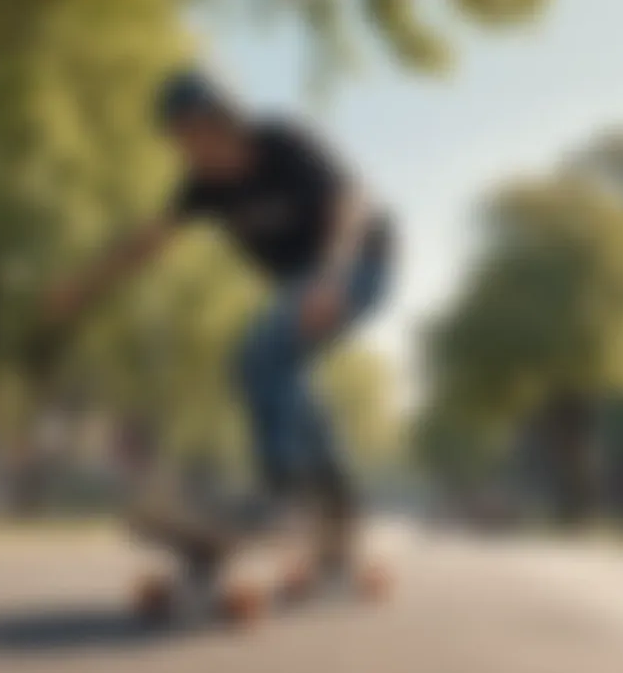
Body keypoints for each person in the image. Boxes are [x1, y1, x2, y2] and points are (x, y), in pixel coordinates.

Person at [43, 70, 396, 576]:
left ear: (227, 121)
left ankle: (284, 495)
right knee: (280, 371)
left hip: (361, 262)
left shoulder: (283, 142)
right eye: (181, 141)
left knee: (261, 355)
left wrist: (331, 275)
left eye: (199, 133)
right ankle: (338, 503)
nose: (195, 151)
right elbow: (149, 241)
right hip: (304, 284)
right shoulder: (202, 188)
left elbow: (350, 202)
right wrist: (83, 285)